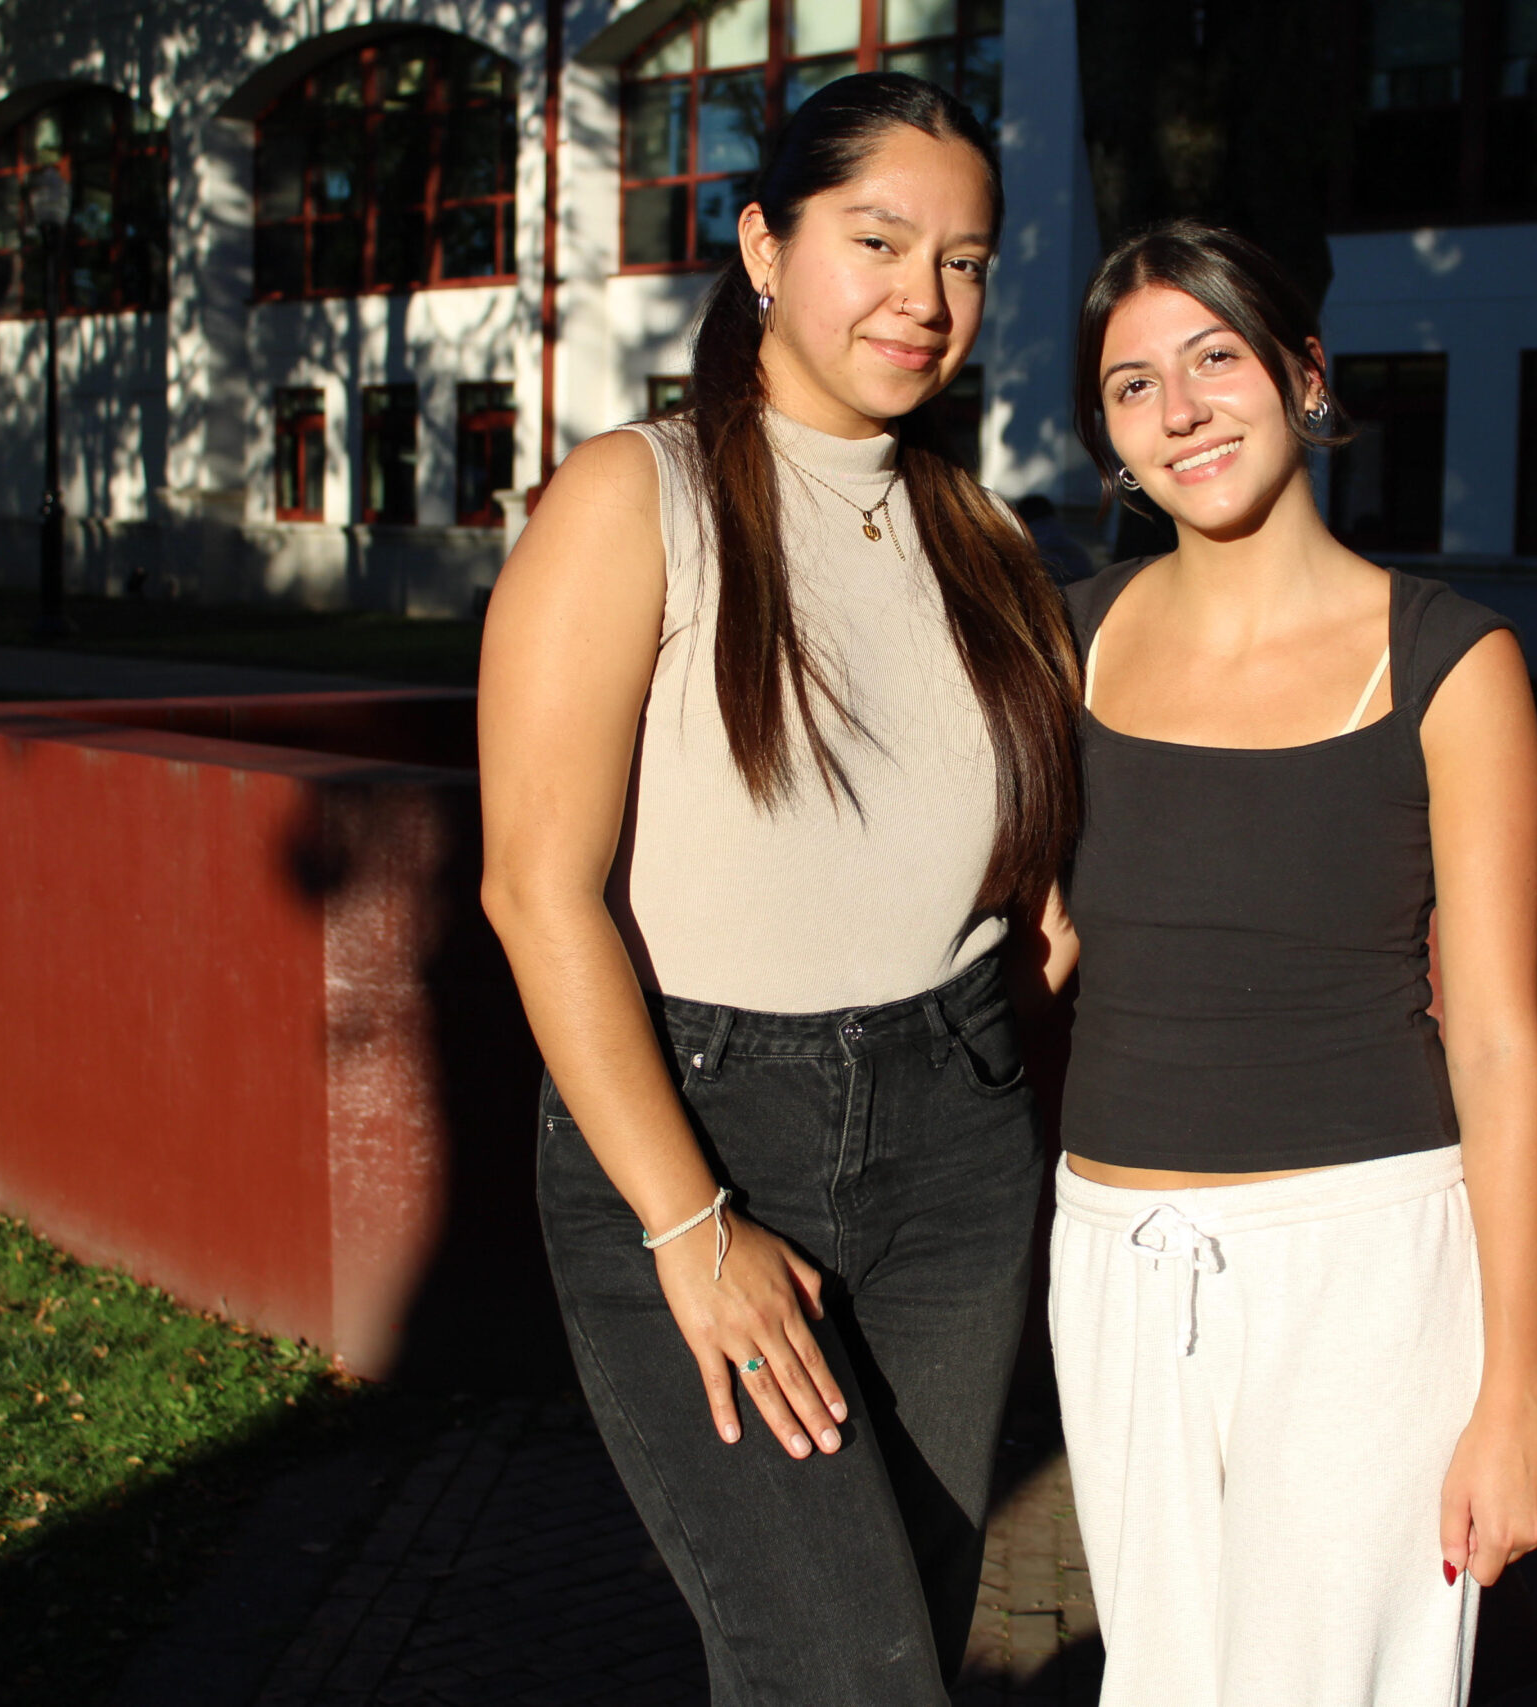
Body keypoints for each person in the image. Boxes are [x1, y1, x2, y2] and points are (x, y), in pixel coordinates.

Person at [476, 74, 1081, 1707]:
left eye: (965, 261)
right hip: (702, 1130)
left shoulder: (988, 545)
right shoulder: (632, 500)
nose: (925, 296)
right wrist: (691, 1227)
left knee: (908, 1640)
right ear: (762, 243)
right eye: (878, 239)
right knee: (846, 1669)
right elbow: (537, 893)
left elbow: (1050, 872)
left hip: (959, 1141)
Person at [1042, 220, 1537, 1705]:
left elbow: (1494, 1040)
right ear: (1109, 433)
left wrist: (1519, 1389)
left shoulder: (1451, 664)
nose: (1185, 408)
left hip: (1360, 1266)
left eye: (1218, 357)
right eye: (1135, 384)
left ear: (1305, 372)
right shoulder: (1064, 642)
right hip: (1112, 1260)